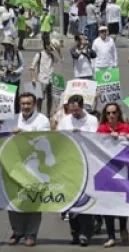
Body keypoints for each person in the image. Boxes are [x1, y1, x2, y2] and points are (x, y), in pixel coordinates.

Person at [5, 93, 50, 247]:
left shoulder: (42, 120)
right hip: (14, 166)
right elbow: (2, 138)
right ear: (19, 104)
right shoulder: (11, 119)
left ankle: (31, 234)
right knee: (14, 199)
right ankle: (17, 232)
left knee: (33, 201)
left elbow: (44, 138)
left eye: (29, 103)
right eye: (23, 103)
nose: (25, 106)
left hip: (35, 166)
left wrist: (23, 134)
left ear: (34, 105)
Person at [54, 95, 98, 246]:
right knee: (72, 201)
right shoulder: (65, 121)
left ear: (82, 106)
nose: (74, 113)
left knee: (85, 200)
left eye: (77, 110)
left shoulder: (92, 120)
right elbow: (59, 138)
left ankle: (85, 233)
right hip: (70, 164)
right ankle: (75, 233)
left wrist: (82, 133)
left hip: (88, 164)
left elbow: (97, 139)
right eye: (71, 110)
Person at [96, 103, 129, 247]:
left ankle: (123, 227)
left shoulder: (126, 127)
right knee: (107, 204)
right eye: (108, 113)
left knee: (122, 202)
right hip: (106, 170)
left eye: (113, 112)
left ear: (118, 114)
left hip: (123, 170)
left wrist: (127, 137)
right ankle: (111, 236)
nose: (111, 115)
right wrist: (106, 137)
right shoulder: (101, 129)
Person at [30, 39, 61, 116]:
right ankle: (39, 113)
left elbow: (61, 60)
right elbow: (32, 67)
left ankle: (48, 114)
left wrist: (59, 51)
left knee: (50, 98)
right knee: (40, 98)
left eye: (53, 49)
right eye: (51, 48)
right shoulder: (39, 54)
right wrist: (33, 78)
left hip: (50, 79)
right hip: (41, 79)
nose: (51, 50)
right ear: (46, 46)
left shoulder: (52, 55)